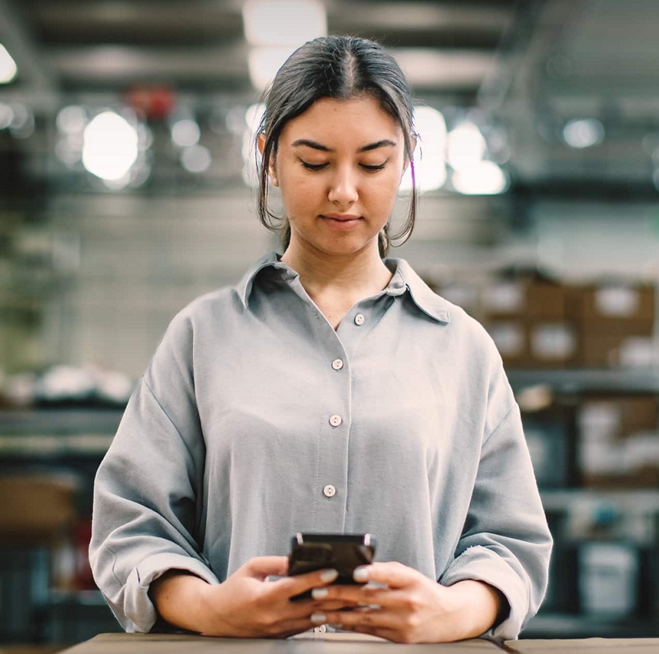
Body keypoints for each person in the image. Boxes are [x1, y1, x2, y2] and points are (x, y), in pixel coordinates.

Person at [89, 35, 551, 643]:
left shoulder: (461, 349)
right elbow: (131, 526)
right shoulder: (203, 338)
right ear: (270, 158)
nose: (343, 191)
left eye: (372, 163)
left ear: (407, 159)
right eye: (313, 162)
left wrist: (452, 611)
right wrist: (209, 607)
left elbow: (510, 542)